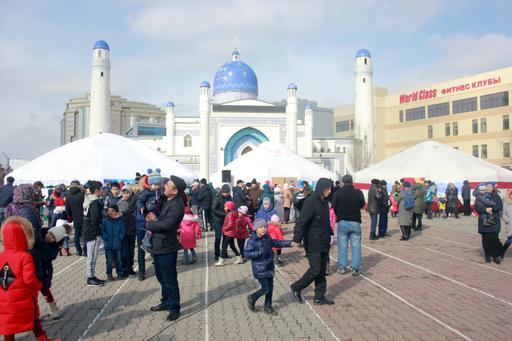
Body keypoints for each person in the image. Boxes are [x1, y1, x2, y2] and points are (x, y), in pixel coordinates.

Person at [0, 217, 62, 341]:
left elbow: (4, 279)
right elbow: (29, 279)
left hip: (6, 298)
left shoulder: (2, 256)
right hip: (24, 297)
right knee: (34, 321)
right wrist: (39, 286)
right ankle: (43, 339)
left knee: (8, 325)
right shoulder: (25, 256)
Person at [146, 175, 186, 322]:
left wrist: (150, 223)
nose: (165, 187)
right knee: (160, 276)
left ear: (175, 191)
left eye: (168, 186)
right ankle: (165, 301)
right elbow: (160, 219)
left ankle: (174, 307)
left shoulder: (177, 205)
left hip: (166, 246)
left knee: (169, 279)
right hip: (158, 245)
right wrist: (152, 216)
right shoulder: (166, 200)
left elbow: (167, 225)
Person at [290, 177, 335, 305]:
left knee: (321, 271)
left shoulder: (324, 202)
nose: (330, 191)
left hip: (324, 241)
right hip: (313, 242)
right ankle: (296, 287)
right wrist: (297, 238)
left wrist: (330, 234)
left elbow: (324, 222)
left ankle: (319, 296)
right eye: (328, 189)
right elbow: (302, 221)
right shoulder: (311, 202)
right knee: (315, 269)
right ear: (322, 189)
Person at [245, 218, 295, 316]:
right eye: (260, 227)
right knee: (265, 288)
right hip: (259, 269)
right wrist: (258, 253)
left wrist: (290, 243)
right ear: (255, 229)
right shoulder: (252, 241)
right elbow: (247, 253)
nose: (263, 229)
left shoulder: (267, 237)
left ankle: (268, 307)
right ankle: (252, 297)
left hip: (269, 267)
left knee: (270, 288)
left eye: (264, 227)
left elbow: (276, 243)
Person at [332, 175, 365, 276]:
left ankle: (342, 267)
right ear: (352, 182)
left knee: (342, 245)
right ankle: (355, 268)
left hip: (342, 221)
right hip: (355, 221)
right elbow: (362, 204)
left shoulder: (338, 193)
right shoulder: (358, 192)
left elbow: (334, 206)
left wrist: (339, 214)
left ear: (343, 182)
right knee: (356, 246)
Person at [43, 220, 73, 320]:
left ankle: (54, 309)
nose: (49, 236)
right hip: (34, 268)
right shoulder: (42, 234)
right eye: (50, 233)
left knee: (45, 290)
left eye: (52, 237)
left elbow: (50, 255)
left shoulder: (54, 248)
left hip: (45, 271)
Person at [83, 180, 105, 286]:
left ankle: (91, 275)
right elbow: (94, 219)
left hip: (87, 230)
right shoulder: (94, 202)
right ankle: (90, 277)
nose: (102, 190)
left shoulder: (88, 198)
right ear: (97, 190)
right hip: (91, 232)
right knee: (92, 255)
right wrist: (97, 233)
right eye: (101, 189)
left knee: (92, 255)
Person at [475, 183, 503, 264]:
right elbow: (477, 207)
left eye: (490, 186)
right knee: (486, 239)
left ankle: (496, 256)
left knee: (495, 239)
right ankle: (487, 255)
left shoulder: (496, 196)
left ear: (493, 188)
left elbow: (500, 207)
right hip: (484, 221)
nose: (488, 188)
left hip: (494, 220)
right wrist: (485, 210)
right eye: (487, 186)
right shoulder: (480, 196)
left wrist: (491, 209)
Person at [102, 204, 126, 280]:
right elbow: (103, 230)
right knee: (109, 260)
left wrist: (119, 238)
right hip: (108, 244)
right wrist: (105, 237)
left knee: (119, 260)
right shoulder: (105, 220)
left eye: (113, 211)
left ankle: (120, 273)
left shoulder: (119, 221)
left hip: (117, 243)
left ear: (116, 212)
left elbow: (123, 230)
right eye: (109, 211)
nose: (111, 212)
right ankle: (109, 274)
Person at [118, 186, 137, 276]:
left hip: (132, 230)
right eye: (124, 193)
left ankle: (130, 267)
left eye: (127, 193)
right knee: (124, 251)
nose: (125, 195)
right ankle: (124, 268)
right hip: (123, 230)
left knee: (131, 251)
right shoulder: (119, 203)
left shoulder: (134, 202)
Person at [215, 201, 241, 266]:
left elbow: (230, 224)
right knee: (232, 246)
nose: (224, 208)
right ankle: (239, 258)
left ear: (229, 207)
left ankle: (221, 261)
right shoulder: (234, 212)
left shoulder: (230, 214)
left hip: (229, 233)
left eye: (225, 207)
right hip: (231, 232)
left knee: (224, 246)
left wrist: (224, 229)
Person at [211, 184, 233, 261]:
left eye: (227, 192)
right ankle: (217, 254)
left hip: (226, 220)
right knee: (218, 237)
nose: (226, 194)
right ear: (222, 192)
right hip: (218, 220)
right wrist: (224, 214)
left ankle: (224, 253)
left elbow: (232, 206)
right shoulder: (217, 198)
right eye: (225, 192)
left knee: (226, 237)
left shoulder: (229, 197)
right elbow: (213, 209)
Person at [65, 180, 85, 256]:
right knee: (84, 235)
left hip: (75, 218)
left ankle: (78, 250)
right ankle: (85, 249)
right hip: (84, 217)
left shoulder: (68, 197)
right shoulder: (82, 195)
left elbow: (67, 210)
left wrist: (72, 216)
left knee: (76, 235)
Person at [500, 189, 512, 257]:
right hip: (510, 223)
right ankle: (502, 251)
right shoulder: (505, 203)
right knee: (510, 239)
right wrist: (507, 220)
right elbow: (502, 214)